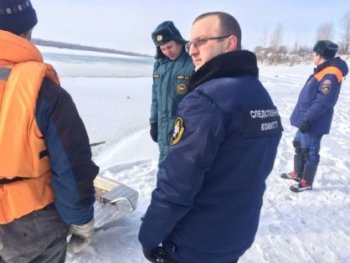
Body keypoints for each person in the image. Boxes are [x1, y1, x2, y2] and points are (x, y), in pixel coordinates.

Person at [139, 11, 283, 263]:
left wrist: (150, 235)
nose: (192, 50)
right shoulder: (260, 95)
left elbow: (177, 184)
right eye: (190, 43)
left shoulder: (206, 99)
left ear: (229, 43)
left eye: (201, 41)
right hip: (237, 232)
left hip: (197, 241)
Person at [0, 0, 99, 262]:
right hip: (30, 224)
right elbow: (71, 164)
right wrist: (80, 220)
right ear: (26, 31)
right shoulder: (42, 91)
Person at [281, 40, 348, 192]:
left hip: (313, 121)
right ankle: (298, 173)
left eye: (315, 54)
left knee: (310, 150)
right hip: (307, 119)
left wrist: (307, 119)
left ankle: (306, 182)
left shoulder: (330, 74)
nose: (313, 57)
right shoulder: (322, 70)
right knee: (299, 144)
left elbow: (324, 102)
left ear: (320, 55)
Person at [149, 21, 194, 166]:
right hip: (163, 127)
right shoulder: (159, 66)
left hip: (184, 129)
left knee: (182, 167)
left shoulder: (192, 63)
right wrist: (153, 122)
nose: (167, 52)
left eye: (170, 46)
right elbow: (155, 97)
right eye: (163, 49)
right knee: (164, 164)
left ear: (179, 41)